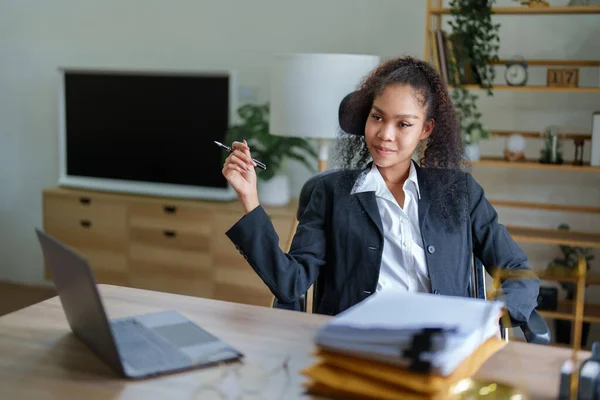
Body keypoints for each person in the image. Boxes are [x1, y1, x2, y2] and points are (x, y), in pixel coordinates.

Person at [222, 56, 539, 328]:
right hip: (357, 348)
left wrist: (490, 318)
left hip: (440, 348)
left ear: (425, 129)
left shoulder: (460, 192)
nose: (385, 134)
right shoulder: (331, 193)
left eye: (403, 124)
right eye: (377, 117)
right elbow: (289, 284)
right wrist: (249, 198)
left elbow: (518, 272)